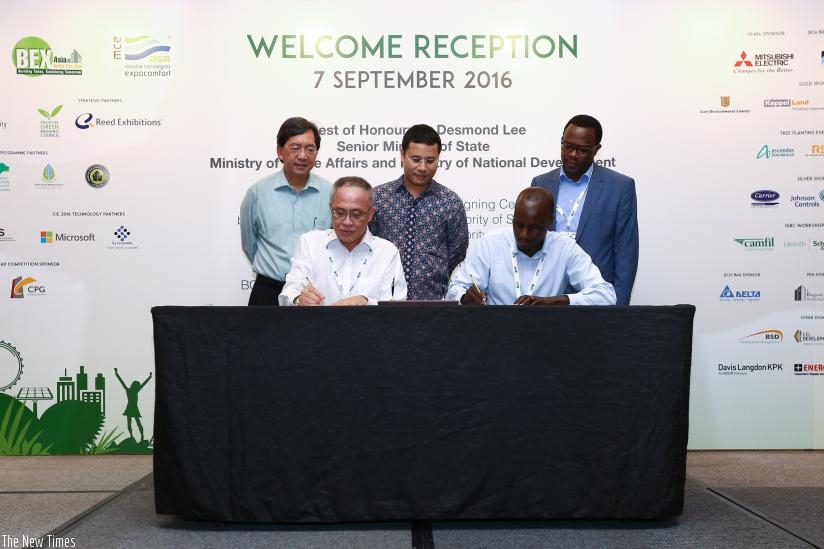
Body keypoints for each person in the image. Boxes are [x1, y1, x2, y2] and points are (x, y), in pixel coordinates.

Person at [531, 114, 639, 305]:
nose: (573, 154)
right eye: (568, 146)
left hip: (595, 298)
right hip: (546, 296)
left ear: (596, 149)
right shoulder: (541, 183)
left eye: (582, 150)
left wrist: (619, 308)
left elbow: (626, 253)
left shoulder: (620, 187)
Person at [446, 188, 615, 306]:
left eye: (534, 228)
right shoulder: (490, 244)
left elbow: (606, 295)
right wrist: (464, 298)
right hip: (495, 334)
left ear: (550, 223)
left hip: (546, 335)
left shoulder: (565, 248)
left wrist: (556, 301)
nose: (524, 234)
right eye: (518, 225)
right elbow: (455, 290)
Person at [240, 117, 333, 305]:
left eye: (310, 149)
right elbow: (250, 244)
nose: (303, 155)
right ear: (280, 151)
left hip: (314, 294)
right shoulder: (258, 192)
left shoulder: (330, 193)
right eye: (295, 148)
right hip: (268, 291)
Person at [370, 124, 468, 300]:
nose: (423, 167)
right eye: (416, 159)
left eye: (430, 161)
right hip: (383, 301)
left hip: (433, 303)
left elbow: (457, 252)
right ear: (402, 155)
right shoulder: (378, 198)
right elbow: (367, 246)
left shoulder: (450, 202)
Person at [279, 177, 407, 306]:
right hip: (317, 319)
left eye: (356, 214)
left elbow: (397, 305)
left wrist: (367, 302)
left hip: (369, 320)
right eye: (339, 213)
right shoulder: (310, 243)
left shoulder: (386, 252)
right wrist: (299, 299)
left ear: (370, 214)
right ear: (330, 209)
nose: (347, 222)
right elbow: (289, 292)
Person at [113, 368, 152, 443]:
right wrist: (116, 373)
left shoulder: (131, 390)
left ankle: (139, 436)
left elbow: (122, 382)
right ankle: (135, 436)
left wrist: (149, 377)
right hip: (131, 408)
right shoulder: (134, 390)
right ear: (135, 386)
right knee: (134, 423)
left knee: (133, 423)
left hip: (132, 408)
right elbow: (122, 382)